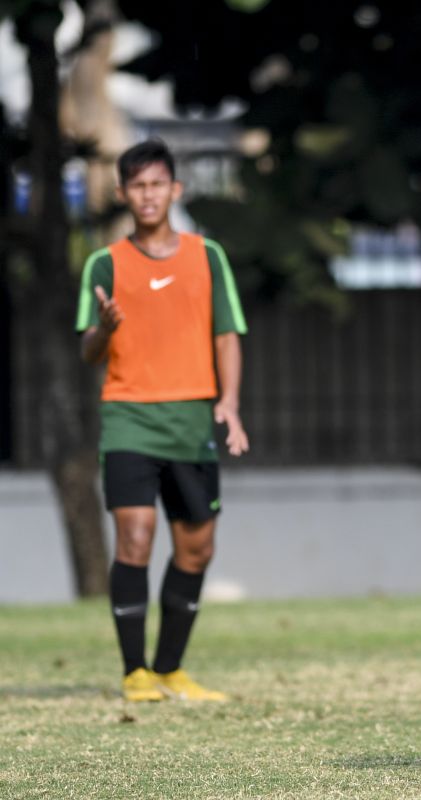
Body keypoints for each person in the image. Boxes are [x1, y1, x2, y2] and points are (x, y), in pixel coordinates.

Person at [77, 139, 249, 703]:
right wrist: (104, 326)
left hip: (191, 421)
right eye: (136, 186)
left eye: (157, 184)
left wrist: (228, 403)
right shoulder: (104, 264)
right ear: (123, 193)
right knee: (135, 536)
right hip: (128, 419)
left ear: (174, 189)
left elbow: (226, 332)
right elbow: (88, 351)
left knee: (197, 546)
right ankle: (135, 672)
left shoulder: (208, 255)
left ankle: (170, 668)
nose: (147, 195)